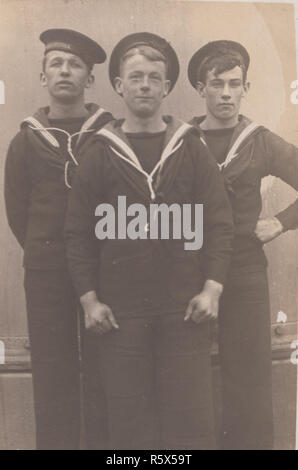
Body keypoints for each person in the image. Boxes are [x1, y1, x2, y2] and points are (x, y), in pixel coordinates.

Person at [64, 32, 234, 450]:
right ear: (119, 85)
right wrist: (89, 300)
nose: (144, 85)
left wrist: (212, 288)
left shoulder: (190, 150)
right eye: (135, 76)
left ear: (166, 87)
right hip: (120, 315)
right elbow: (77, 234)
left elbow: (218, 223)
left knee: (190, 424)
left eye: (153, 77)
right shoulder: (100, 153)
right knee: (129, 424)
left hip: (184, 310)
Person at [4, 28, 113, 450]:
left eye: (75, 65)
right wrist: (49, 252)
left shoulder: (109, 138)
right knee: (52, 372)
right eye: (56, 63)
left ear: (89, 79)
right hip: (47, 273)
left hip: (105, 271)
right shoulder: (24, 141)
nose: (64, 71)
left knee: (106, 369)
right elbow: (18, 215)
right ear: (43, 74)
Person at [187, 39, 298, 450]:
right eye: (217, 84)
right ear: (201, 88)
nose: (227, 93)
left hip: (245, 270)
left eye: (235, 83)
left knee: (248, 377)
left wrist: (282, 222)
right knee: (188, 376)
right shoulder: (181, 140)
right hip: (190, 272)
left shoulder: (260, 141)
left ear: (246, 88)